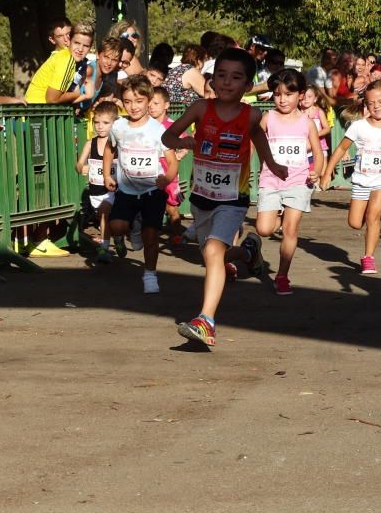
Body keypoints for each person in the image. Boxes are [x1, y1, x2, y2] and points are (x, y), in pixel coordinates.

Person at [162, 48, 288, 347]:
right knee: (212, 253)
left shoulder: (251, 114)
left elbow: (257, 136)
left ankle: (206, 320)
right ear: (211, 79)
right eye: (221, 75)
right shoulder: (200, 109)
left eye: (236, 77)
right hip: (201, 197)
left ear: (247, 85)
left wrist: (271, 165)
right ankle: (247, 253)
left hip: (233, 198)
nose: (227, 82)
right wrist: (186, 142)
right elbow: (167, 137)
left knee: (212, 253)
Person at [319, 81, 381, 275]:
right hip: (362, 179)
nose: (377, 106)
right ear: (366, 104)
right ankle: (367, 220)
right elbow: (341, 148)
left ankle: (368, 258)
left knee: (374, 217)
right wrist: (326, 173)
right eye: (372, 103)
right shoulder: (358, 127)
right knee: (355, 223)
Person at [103, 75, 178, 294]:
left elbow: (172, 162)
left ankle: (150, 275)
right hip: (126, 189)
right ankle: (133, 226)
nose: (133, 107)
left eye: (139, 101)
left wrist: (167, 178)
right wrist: (108, 174)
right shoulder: (118, 127)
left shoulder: (158, 130)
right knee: (117, 227)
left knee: (151, 235)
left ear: (148, 100)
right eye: (127, 102)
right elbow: (109, 149)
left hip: (152, 191)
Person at [254, 69, 323, 295]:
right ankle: (277, 221)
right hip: (270, 180)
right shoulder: (268, 118)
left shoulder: (307, 122)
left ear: (300, 95)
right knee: (263, 229)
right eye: (277, 94)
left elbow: (318, 151)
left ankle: (282, 275)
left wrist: (318, 171)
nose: (282, 99)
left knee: (290, 230)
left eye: (288, 94)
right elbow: (254, 141)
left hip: (299, 180)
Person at [76, 101, 121, 264]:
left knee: (104, 214)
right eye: (96, 122)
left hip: (112, 190)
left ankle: (104, 248)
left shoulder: (118, 143)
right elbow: (79, 162)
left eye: (105, 123)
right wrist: (81, 167)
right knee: (106, 218)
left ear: (114, 123)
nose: (100, 126)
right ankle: (118, 238)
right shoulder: (90, 143)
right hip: (94, 190)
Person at [147, 87, 187, 246]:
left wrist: (180, 155)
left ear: (166, 105)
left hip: (168, 171)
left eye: (156, 103)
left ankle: (177, 235)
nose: (151, 106)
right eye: (149, 103)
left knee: (171, 208)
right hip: (150, 172)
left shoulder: (172, 125)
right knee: (151, 207)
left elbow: (185, 141)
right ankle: (150, 238)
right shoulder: (145, 125)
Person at [27, 20, 93, 105]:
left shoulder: (68, 58)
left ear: (90, 47)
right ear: (70, 41)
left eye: (86, 46)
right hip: (37, 113)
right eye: (77, 43)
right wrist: (80, 93)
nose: (80, 49)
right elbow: (52, 100)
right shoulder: (66, 59)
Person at [299, 84, 330, 168]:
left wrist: (315, 135)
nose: (306, 99)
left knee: (322, 172)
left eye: (309, 97)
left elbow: (327, 129)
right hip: (306, 148)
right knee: (310, 174)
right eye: (304, 97)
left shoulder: (319, 111)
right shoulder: (299, 113)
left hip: (320, 146)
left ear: (315, 99)